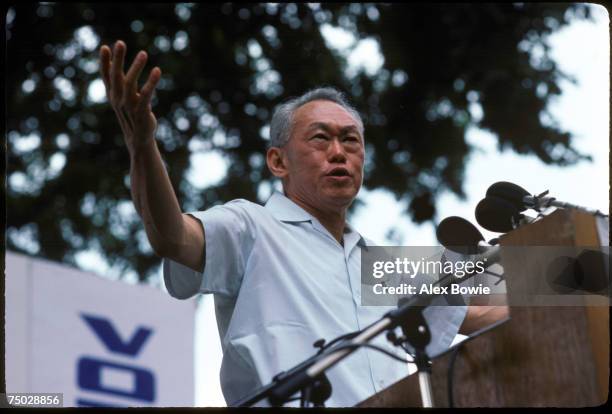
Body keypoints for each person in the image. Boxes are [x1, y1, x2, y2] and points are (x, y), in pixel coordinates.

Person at [99, 40, 508, 407]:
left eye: (351, 140)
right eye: (320, 138)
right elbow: (172, 237)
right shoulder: (251, 228)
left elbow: (490, 310)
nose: (338, 152)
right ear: (278, 161)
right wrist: (143, 146)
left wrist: (565, 269)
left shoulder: (378, 264)